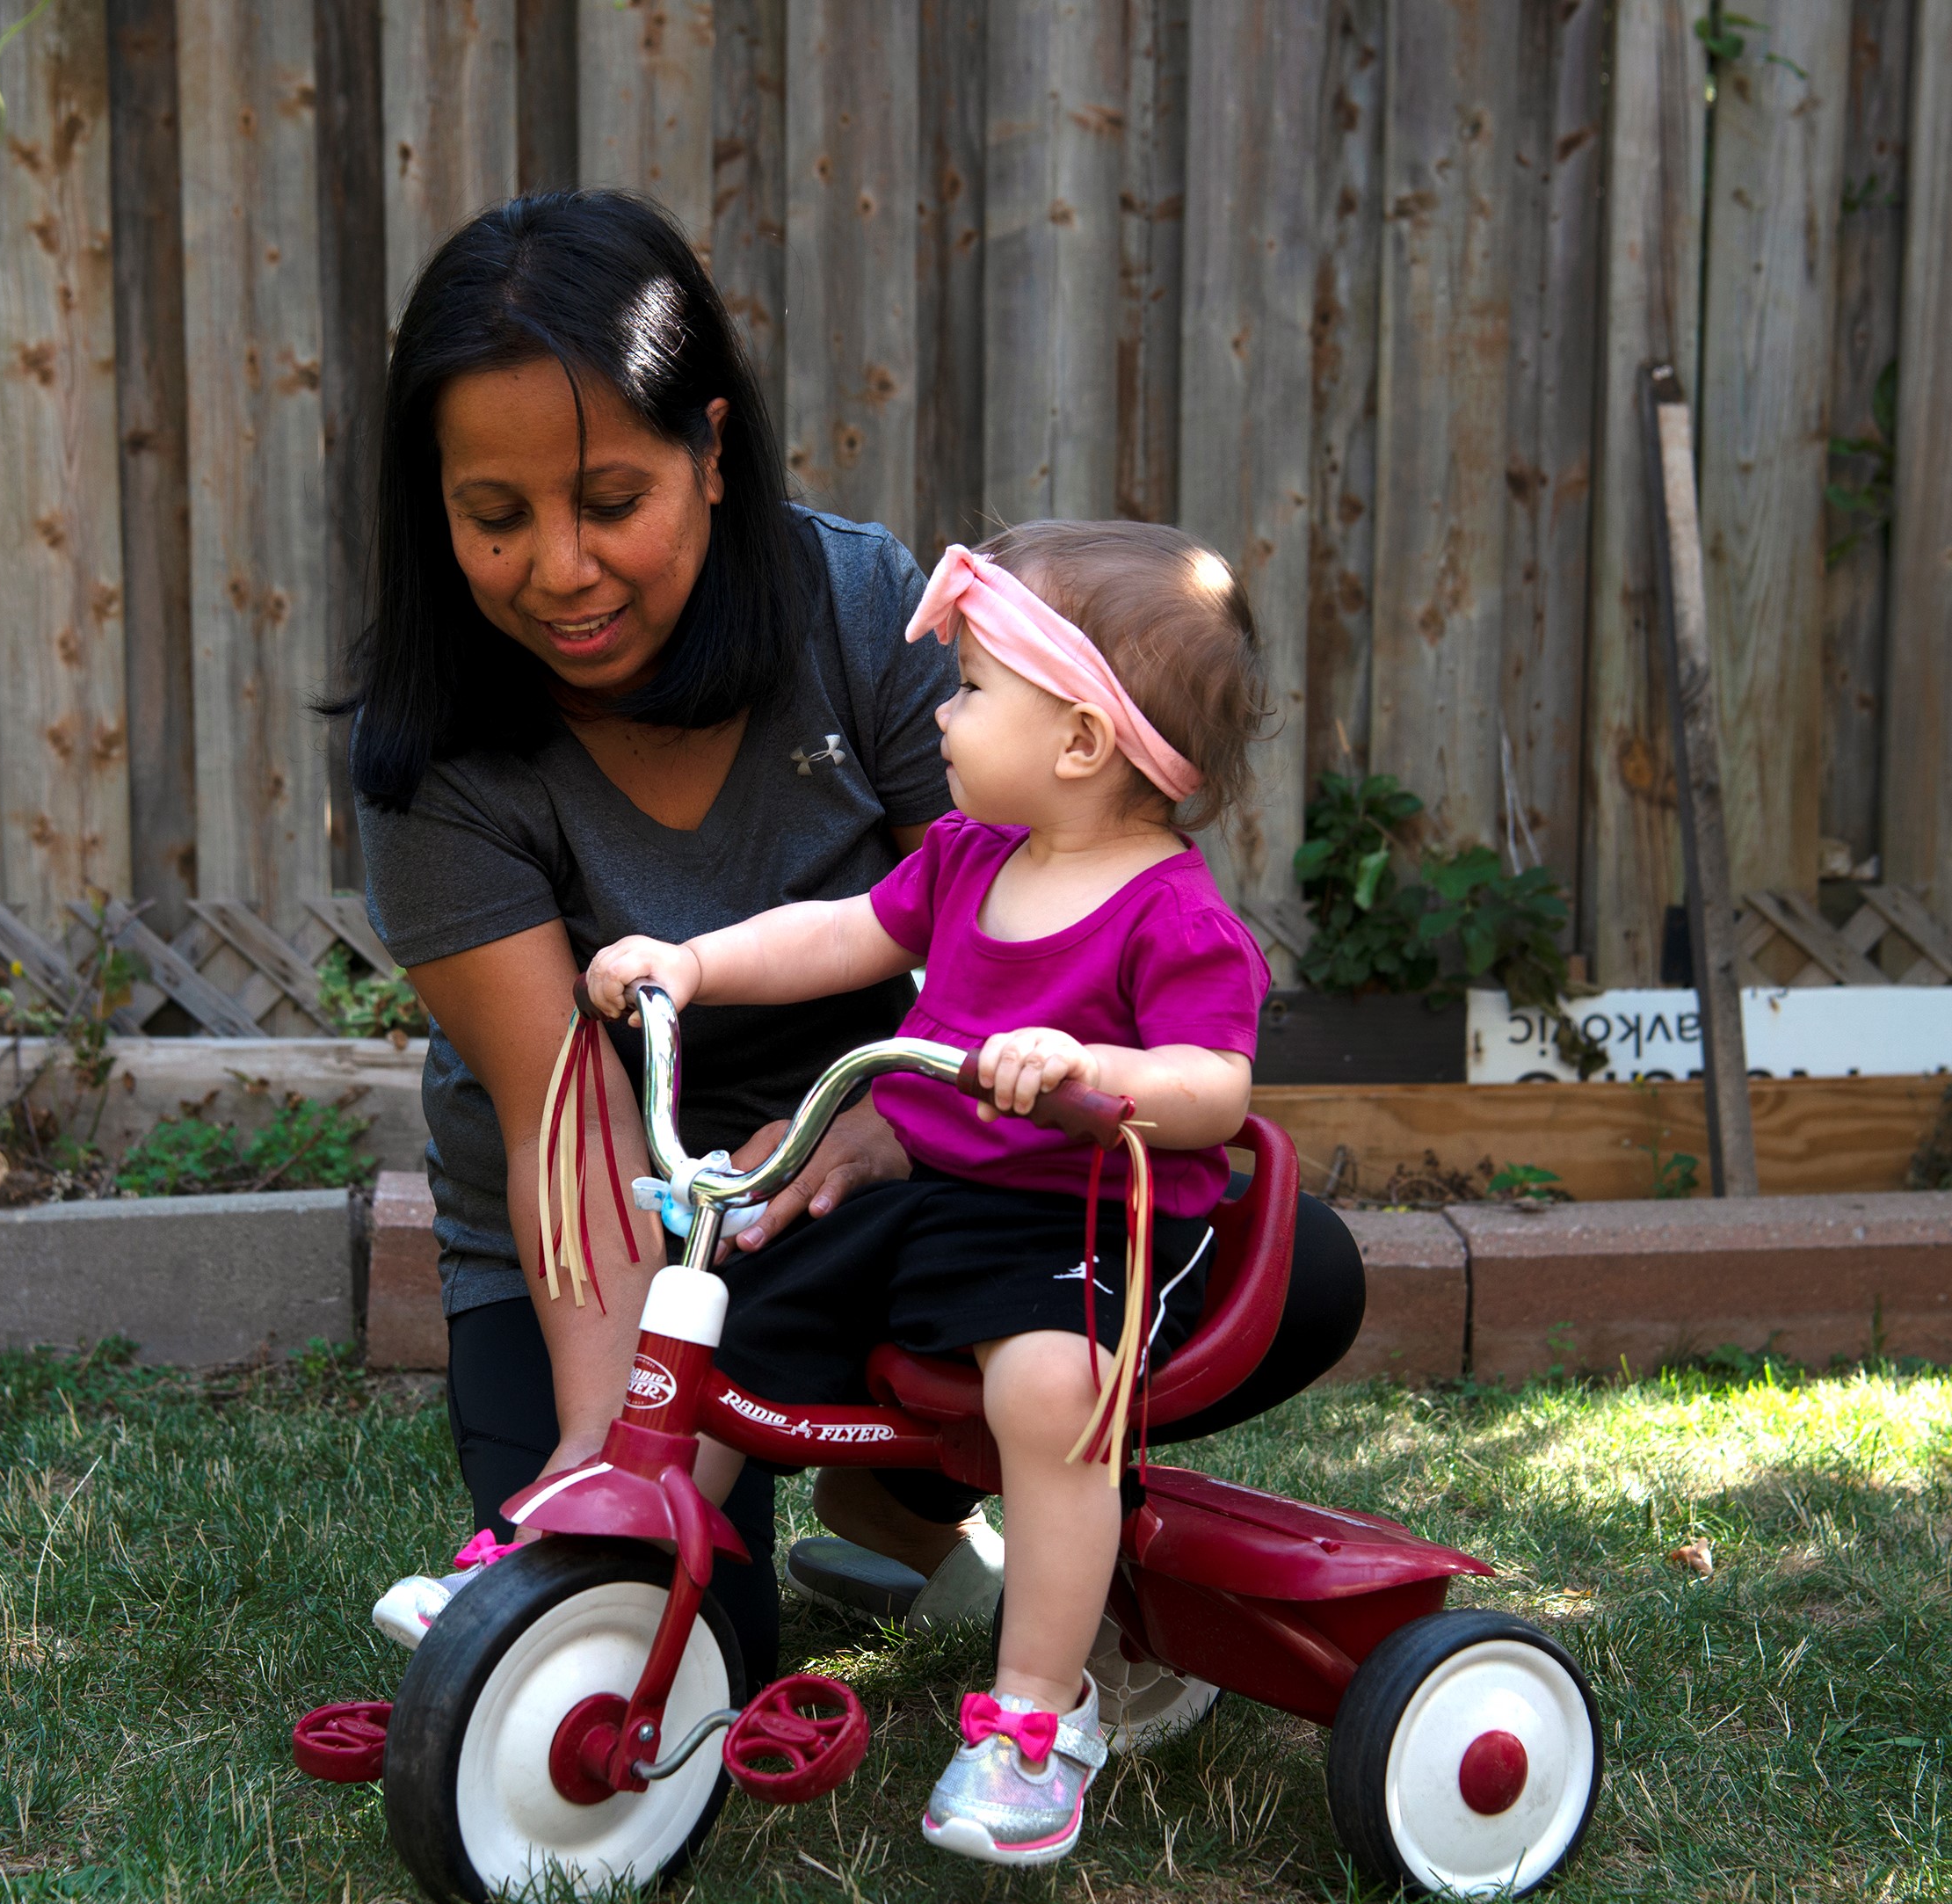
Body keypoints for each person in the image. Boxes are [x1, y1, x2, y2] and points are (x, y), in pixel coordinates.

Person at [344, 187, 1364, 1701]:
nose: (558, 569)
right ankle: (669, 1508)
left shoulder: (859, 608)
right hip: (625, 1208)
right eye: (496, 518)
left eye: (608, 501)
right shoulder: (438, 750)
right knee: (681, 1638)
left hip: (880, 1173)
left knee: (1284, 1277)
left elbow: (985, 934)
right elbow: (562, 1117)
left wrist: (893, 1116)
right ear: (436, 505)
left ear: (708, 450)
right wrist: (594, 1468)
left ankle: (928, 1513)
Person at [584, 520, 1275, 1864]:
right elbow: (841, 933)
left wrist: (1091, 1064)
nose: (941, 717)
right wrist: (694, 963)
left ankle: (1032, 1721)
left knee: (1046, 1389)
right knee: (731, 1307)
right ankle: (605, 1576)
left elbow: (1216, 1087)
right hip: (942, 1196)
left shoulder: (1172, 914)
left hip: (1092, 1216)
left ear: (1079, 742)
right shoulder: (966, 858)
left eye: (967, 690)